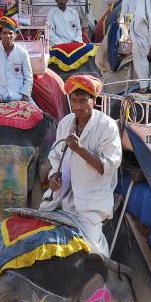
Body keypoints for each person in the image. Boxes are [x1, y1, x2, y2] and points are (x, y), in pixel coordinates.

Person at [40, 75, 122, 256]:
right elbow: (56, 157)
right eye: (74, 101)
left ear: (94, 100)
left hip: (91, 202)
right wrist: (54, 177)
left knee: (91, 252)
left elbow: (106, 166)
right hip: (60, 198)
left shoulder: (106, 126)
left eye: (83, 101)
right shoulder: (65, 123)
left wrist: (79, 149)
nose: (77, 106)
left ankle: (103, 277)